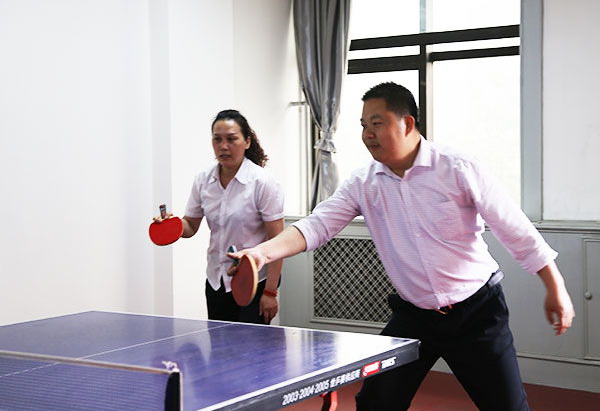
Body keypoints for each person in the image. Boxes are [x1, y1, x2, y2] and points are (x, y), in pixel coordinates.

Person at [229, 83, 575, 410]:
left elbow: (514, 228)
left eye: (376, 123)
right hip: (414, 317)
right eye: (363, 125)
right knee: (375, 404)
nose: (367, 134)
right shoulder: (362, 183)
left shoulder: (458, 168)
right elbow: (316, 225)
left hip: (476, 313)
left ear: (407, 123)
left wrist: (555, 285)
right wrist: (260, 253)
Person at [156, 109, 284, 324]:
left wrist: (270, 292)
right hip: (216, 281)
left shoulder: (263, 183)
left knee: (252, 345)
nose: (223, 146)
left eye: (231, 139)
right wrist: (172, 225)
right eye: (217, 139)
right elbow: (190, 226)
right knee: (218, 344)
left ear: (247, 142)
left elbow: (277, 243)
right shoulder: (203, 180)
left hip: (253, 283)